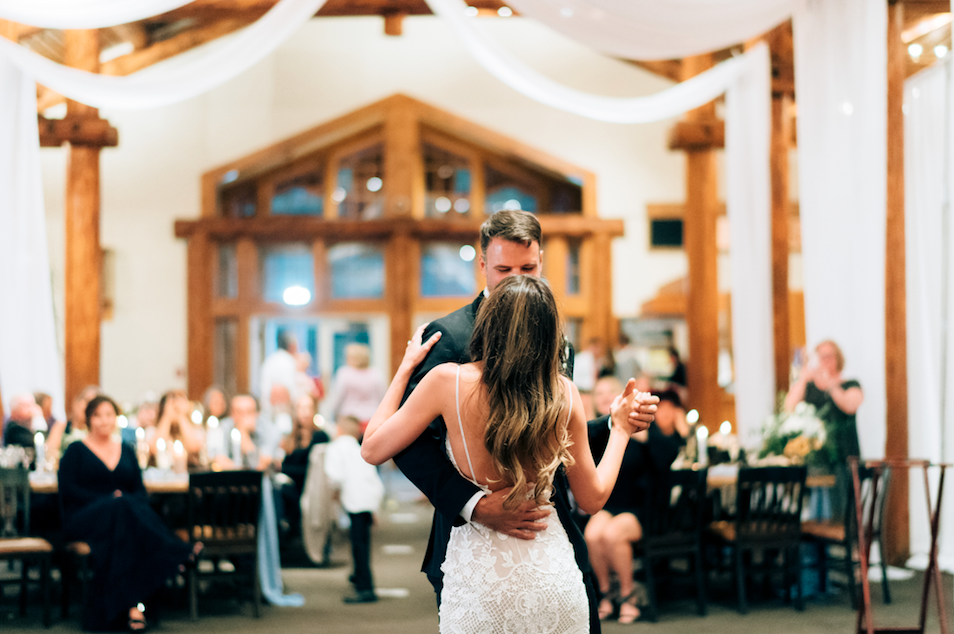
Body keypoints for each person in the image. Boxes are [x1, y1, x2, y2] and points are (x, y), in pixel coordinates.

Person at [387, 210, 656, 633]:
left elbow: (549, 429)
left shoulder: (554, 340)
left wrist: (611, 423)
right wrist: (473, 504)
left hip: (548, 528)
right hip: (473, 531)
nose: (516, 278)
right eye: (503, 269)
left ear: (541, 262)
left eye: (527, 268)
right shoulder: (448, 337)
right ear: (482, 266)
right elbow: (405, 442)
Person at [58, 395, 196, 631]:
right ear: (89, 419)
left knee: (125, 527)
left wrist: (120, 501)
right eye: (98, 415)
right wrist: (110, 500)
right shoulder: (75, 450)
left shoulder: (126, 449)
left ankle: (132, 609)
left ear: (116, 418)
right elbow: (68, 491)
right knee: (122, 508)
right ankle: (176, 549)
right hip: (84, 517)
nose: (104, 421)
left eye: (109, 415)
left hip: (121, 520)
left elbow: (140, 492)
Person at [584, 387, 684, 624]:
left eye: (610, 393)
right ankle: (608, 595)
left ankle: (629, 597)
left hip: (642, 508)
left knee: (612, 534)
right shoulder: (597, 435)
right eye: (599, 395)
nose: (605, 398)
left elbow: (669, 452)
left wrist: (640, 434)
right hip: (610, 505)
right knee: (591, 534)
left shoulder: (641, 426)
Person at [784, 339, 863, 517]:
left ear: (838, 358)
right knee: (815, 508)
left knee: (844, 509)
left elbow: (850, 405)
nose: (825, 360)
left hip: (844, 456)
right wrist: (803, 378)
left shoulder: (850, 384)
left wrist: (831, 385)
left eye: (829, 356)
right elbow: (789, 406)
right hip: (817, 458)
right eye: (821, 357)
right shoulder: (810, 386)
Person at [326, 415, 384, 604]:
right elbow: (375, 480)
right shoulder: (361, 449)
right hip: (367, 502)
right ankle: (359, 576)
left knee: (359, 546)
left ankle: (365, 588)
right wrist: (375, 507)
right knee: (363, 543)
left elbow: (335, 476)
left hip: (354, 502)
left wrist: (334, 492)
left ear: (339, 430)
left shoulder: (335, 448)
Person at [329, 343, 386, 435]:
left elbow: (337, 399)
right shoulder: (376, 374)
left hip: (349, 421)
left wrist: (333, 416)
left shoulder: (344, 374)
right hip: (371, 419)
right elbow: (383, 398)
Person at [46, 385, 100, 460]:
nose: (88, 406)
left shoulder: (96, 432)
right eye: (87, 401)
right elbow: (50, 454)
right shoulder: (61, 427)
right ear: (76, 401)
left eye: (93, 404)